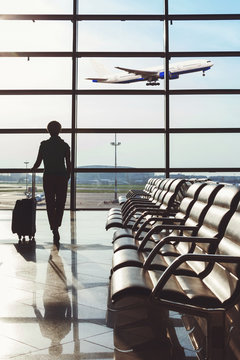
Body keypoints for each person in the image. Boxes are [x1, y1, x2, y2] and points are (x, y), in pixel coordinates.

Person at [31, 121, 71, 244]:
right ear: (60, 130)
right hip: (61, 177)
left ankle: (53, 227)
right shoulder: (65, 145)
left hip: (48, 177)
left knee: (50, 203)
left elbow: (38, 162)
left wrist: (31, 170)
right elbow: (68, 164)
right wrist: (67, 177)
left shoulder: (44, 145)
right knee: (60, 203)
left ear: (48, 130)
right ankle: (56, 226)